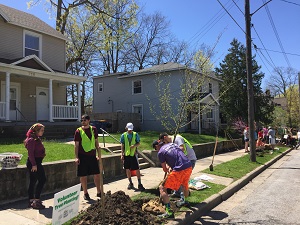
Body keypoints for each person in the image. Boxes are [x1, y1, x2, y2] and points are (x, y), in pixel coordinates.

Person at [154, 138, 193, 219]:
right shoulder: (173, 144)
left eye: (155, 148)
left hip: (179, 169)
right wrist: (172, 166)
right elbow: (177, 155)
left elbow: (164, 169)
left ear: (157, 146)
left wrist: (169, 169)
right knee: (184, 185)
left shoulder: (160, 152)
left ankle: (169, 212)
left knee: (162, 188)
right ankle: (184, 201)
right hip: (188, 165)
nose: (156, 150)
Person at [159, 132, 196, 198]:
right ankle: (179, 194)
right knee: (181, 181)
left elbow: (182, 148)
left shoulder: (177, 138)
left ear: (165, 137)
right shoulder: (172, 142)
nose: (164, 144)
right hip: (183, 162)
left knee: (181, 180)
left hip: (189, 159)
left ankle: (182, 197)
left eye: (164, 142)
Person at [74, 114, 102, 200]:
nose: (83, 121)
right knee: (83, 176)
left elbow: (96, 142)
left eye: (85, 120)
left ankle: (99, 191)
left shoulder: (93, 129)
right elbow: (76, 145)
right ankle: (85, 193)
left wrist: (99, 155)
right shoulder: (78, 131)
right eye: (82, 120)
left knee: (97, 174)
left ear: (89, 120)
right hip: (82, 156)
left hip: (92, 156)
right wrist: (76, 157)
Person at [24, 123, 47, 209]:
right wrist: (34, 164)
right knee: (42, 179)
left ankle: (31, 200)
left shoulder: (37, 139)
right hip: (34, 163)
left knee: (33, 181)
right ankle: (36, 201)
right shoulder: (31, 140)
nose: (43, 132)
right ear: (36, 131)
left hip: (37, 162)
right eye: (41, 130)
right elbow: (30, 154)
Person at [120, 122, 145, 191]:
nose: (130, 131)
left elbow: (138, 143)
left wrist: (134, 146)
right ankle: (130, 183)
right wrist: (122, 154)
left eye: (131, 129)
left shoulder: (135, 134)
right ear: (126, 128)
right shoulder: (123, 135)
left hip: (133, 154)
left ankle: (139, 183)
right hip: (126, 154)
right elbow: (122, 145)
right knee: (127, 169)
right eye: (129, 129)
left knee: (137, 169)